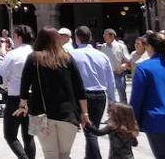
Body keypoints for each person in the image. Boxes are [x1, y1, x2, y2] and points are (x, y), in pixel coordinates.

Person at [15, 27, 91, 159]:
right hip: (68, 114)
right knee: (65, 155)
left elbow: (24, 85)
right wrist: (84, 113)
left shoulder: (34, 58)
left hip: (41, 114)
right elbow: (79, 88)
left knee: (50, 155)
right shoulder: (67, 58)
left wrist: (23, 105)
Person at [71, 26, 116, 159]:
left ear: (77, 38)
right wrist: (112, 101)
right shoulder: (102, 55)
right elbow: (110, 80)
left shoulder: (73, 55)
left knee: (89, 131)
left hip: (83, 97)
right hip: (100, 96)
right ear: (90, 37)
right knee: (91, 128)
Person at [0, 24, 38, 159]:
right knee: (29, 136)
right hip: (34, 98)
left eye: (14, 36)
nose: (13, 39)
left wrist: (6, 87)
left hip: (15, 97)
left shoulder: (13, 54)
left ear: (19, 37)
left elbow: (1, 76)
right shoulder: (36, 53)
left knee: (10, 135)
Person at [101, 30, 131, 104]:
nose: (104, 36)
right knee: (109, 95)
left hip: (118, 73)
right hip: (107, 74)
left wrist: (123, 66)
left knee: (122, 94)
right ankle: (112, 112)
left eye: (106, 35)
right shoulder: (103, 47)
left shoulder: (121, 46)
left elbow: (128, 60)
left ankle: (124, 112)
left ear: (112, 36)